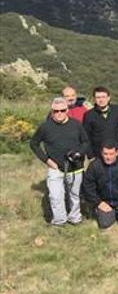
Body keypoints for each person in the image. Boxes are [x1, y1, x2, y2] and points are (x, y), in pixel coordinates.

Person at [29, 97, 90, 226]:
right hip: (55, 168)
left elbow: (86, 142)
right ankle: (59, 221)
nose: (59, 113)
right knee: (55, 196)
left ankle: (75, 218)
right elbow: (34, 144)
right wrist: (46, 160)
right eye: (56, 111)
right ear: (51, 112)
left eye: (62, 110)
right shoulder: (45, 127)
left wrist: (79, 153)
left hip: (75, 167)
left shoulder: (76, 124)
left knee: (75, 195)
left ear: (67, 110)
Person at [81, 143, 118, 229]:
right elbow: (88, 187)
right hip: (104, 201)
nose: (108, 157)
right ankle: (103, 213)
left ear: (117, 153)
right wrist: (98, 203)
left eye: (111, 154)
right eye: (105, 154)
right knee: (105, 224)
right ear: (101, 153)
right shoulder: (94, 165)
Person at [82, 86, 118, 158]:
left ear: (108, 98)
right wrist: (90, 155)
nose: (101, 100)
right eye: (98, 97)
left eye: (103, 97)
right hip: (99, 154)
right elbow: (86, 137)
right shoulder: (89, 115)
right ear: (94, 99)